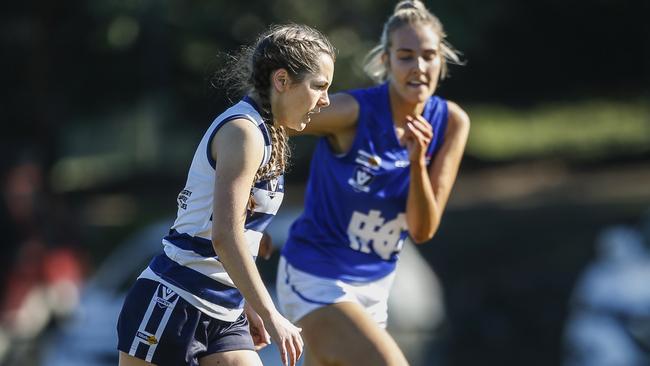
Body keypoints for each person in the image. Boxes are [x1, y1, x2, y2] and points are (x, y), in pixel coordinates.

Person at [116, 24, 335, 366]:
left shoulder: (269, 135)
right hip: (174, 302)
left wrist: (250, 304)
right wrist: (271, 313)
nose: (325, 100)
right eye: (319, 86)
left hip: (225, 312)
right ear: (282, 81)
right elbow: (224, 237)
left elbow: (243, 240)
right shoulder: (243, 132)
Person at [275, 1, 470, 365]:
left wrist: (416, 163)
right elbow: (277, 115)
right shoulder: (353, 112)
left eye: (429, 56)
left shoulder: (452, 123)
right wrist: (249, 206)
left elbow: (423, 229)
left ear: (441, 61)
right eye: (406, 56)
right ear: (386, 61)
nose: (419, 67)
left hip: (376, 288)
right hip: (316, 275)